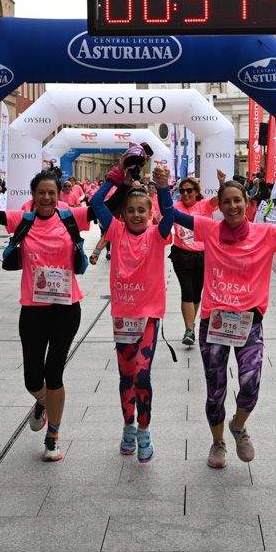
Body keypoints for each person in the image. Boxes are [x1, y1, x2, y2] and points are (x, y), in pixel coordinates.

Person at [0, 167, 91, 462]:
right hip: (33, 310)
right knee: (32, 379)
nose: (47, 198)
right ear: (33, 197)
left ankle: (53, 436)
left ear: (58, 194)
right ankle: (44, 403)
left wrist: (125, 179)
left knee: (54, 373)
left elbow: (104, 206)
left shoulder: (70, 217)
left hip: (66, 308)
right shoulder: (22, 220)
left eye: (51, 193)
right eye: (41, 193)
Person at [169, 179, 276, 470]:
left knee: (250, 383)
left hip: (249, 323)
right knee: (215, 390)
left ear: (247, 203)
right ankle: (217, 442)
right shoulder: (209, 228)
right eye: (226, 201)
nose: (232, 206)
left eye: (237, 200)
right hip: (214, 323)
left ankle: (238, 426)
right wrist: (160, 186)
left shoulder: (264, 233)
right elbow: (172, 214)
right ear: (220, 205)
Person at [90, 162, 175, 464]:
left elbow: (170, 216)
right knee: (126, 376)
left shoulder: (157, 234)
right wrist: (116, 176)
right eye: (132, 210)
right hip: (123, 315)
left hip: (149, 316)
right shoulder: (114, 230)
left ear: (151, 212)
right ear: (123, 214)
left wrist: (163, 188)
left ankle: (144, 430)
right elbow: (95, 203)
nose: (137, 215)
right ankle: (127, 426)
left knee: (142, 374)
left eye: (143, 210)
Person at [169, 175, 216, 347]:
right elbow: (161, 217)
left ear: (197, 192)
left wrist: (222, 182)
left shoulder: (204, 205)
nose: (186, 194)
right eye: (182, 191)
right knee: (187, 291)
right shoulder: (175, 207)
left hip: (203, 256)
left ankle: (191, 324)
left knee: (197, 293)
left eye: (189, 190)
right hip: (181, 255)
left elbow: (221, 198)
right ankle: (189, 329)